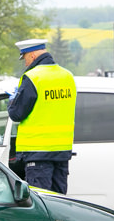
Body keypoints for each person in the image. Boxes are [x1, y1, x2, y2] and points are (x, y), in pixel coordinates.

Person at [7, 38, 77, 195]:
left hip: (37, 152)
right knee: (59, 202)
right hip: (62, 150)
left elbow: (16, 113)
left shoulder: (33, 77)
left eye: (24, 58)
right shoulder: (67, 76)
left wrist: (12, 100)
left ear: (32, 55)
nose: (25, 63)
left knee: (42, 202)